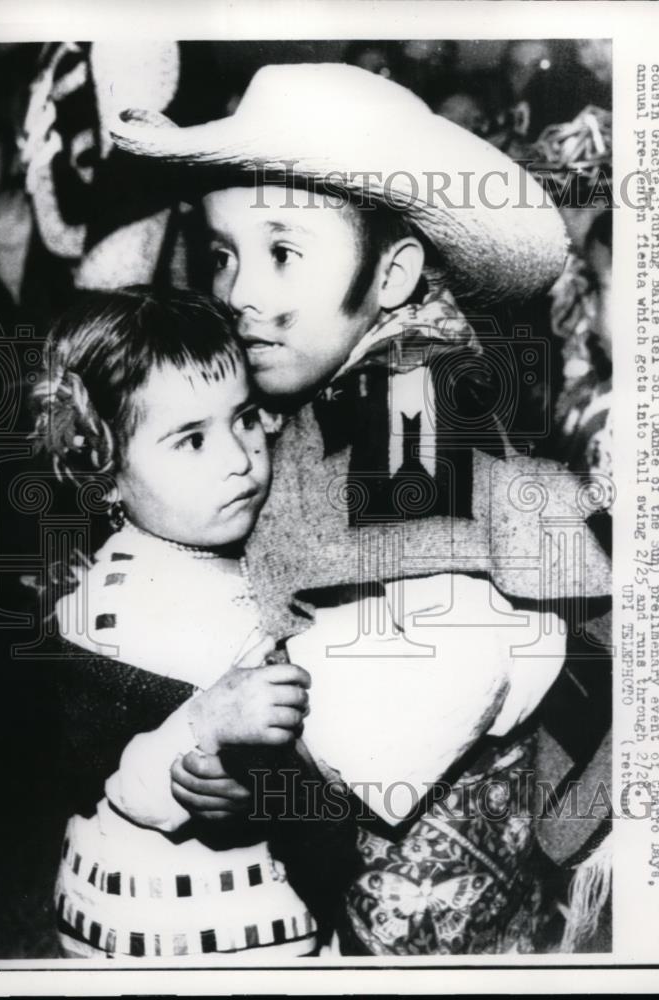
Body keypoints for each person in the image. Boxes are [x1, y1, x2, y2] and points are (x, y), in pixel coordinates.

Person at [111, 63, 612, 954]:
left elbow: (418, 694)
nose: (240, 295)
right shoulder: (358, 386)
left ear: (394, 275)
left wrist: (268, 783)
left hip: (418, 905)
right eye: (223, 255)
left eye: (283, 253)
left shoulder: (410, 410)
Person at [30, 286, 317, 958]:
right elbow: (116, 775)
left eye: (245, 418)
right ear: (103, 472)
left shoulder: (191, 551)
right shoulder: (123, 608)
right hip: (171, 923)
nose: (239, 458)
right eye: (191, 439)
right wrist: (205, 725)